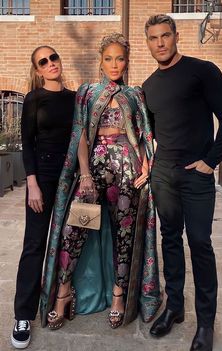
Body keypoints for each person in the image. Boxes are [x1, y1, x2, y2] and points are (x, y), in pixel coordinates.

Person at [40, 33, 162, 331]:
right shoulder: (87, 92)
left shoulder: (135, 94)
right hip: (93, 170)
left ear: (127, 60)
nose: (114, 64)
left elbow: (147, 135)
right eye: (108, 58)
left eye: (120, 58)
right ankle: (64, 292)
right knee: (76, 229)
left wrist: (147, 163)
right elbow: (80, 133)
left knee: (124, 235)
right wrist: (83, 172)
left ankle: (119, 296)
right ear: (101, 60)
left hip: (128, 173)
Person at [142, 14, 222, 351]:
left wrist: (211, 161)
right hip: (164, 175)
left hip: (196, 176)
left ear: (176, 35)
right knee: (170, 241)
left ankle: (206, 323)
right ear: (148, 42)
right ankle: (175, 308)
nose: (160, 43)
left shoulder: (202, 70)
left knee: (199, 243)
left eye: (165, 36)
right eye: (154, 38)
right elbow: (152, 134)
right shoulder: (149, 86)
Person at [11, 46, 75, 349]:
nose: (51, 64)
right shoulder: (34, 99)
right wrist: (32, 184)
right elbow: (27, 142)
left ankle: (60, 299)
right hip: (43, 178)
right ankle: (22, 315)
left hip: (71, 178)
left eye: (54, 58)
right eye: (43, 61)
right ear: (37, 70)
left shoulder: (75, 98)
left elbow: (83, 138)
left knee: (67, 242)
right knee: (35, 243)